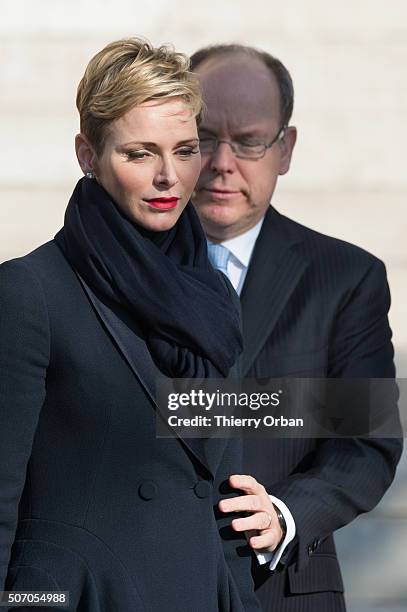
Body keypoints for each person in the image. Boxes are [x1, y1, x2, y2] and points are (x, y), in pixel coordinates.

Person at [0, 38, 261, 612]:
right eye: (140, 153)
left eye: (185, 150)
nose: (169, 176)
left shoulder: (212, 295)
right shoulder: (31, 291)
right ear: (87, 155)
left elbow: (219, 478)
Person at [191, 44, 403, 612]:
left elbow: (365, 443)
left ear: (284, 149)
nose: (222, 162)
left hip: (281, 591)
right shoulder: (117, 269)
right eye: (205, 136)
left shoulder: (344, 279)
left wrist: (284, 515)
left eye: (249, 141)